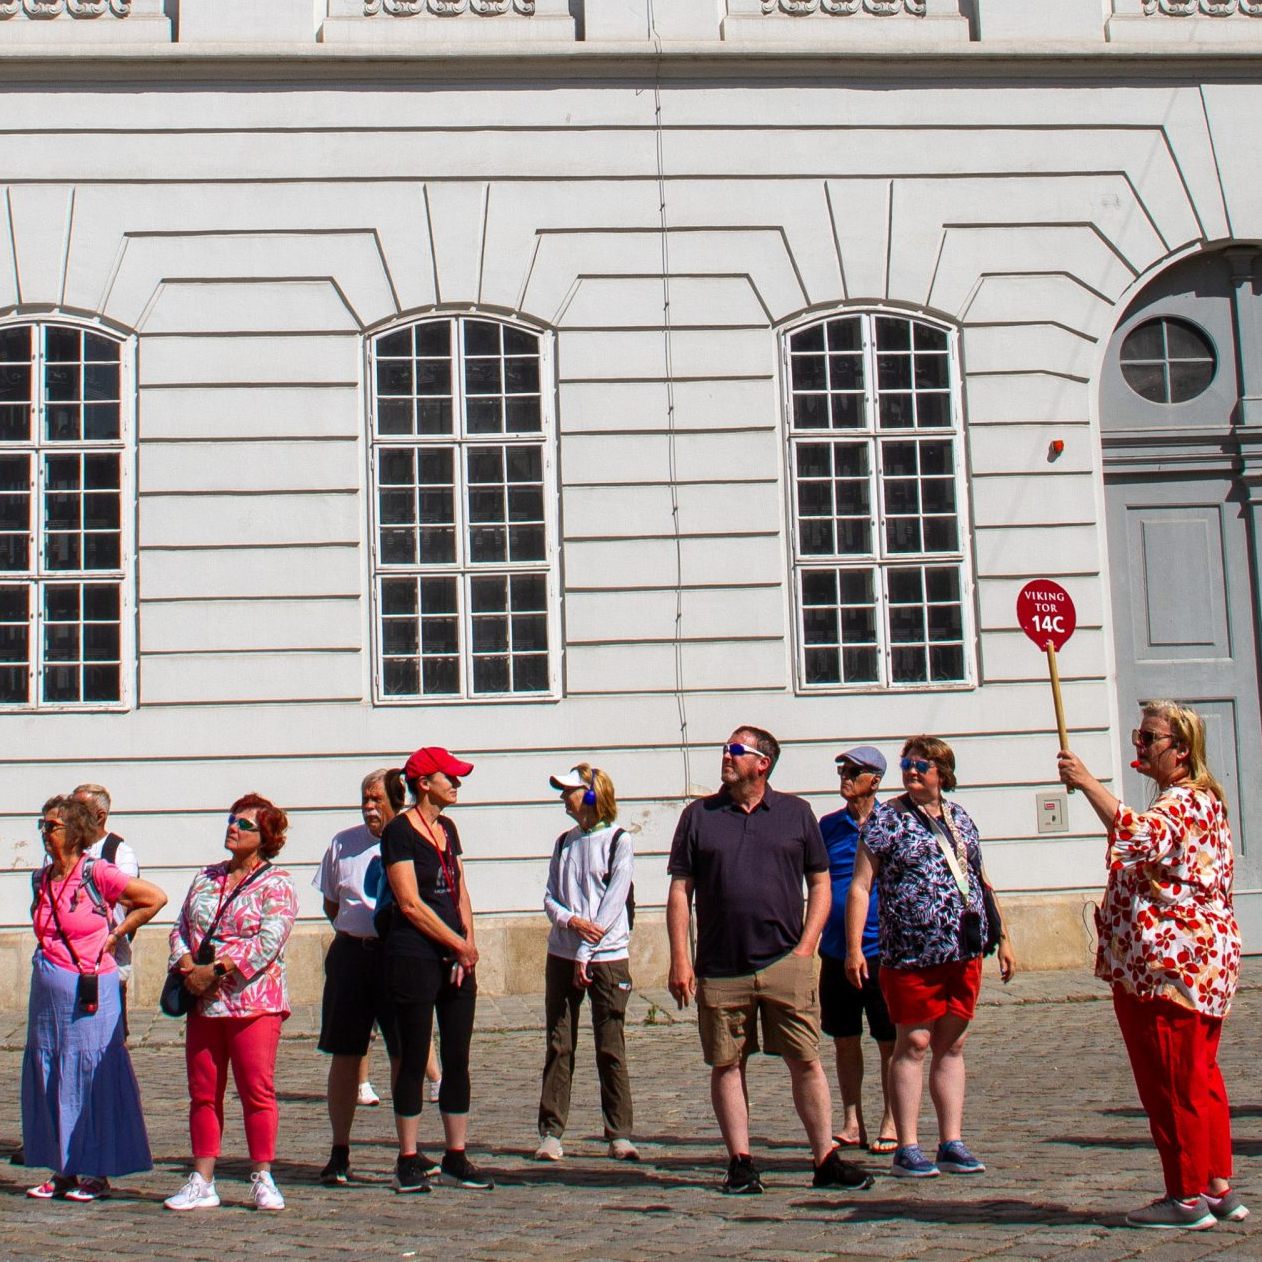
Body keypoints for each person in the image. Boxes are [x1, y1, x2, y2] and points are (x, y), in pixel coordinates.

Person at [1058, 701, 1245, 1230]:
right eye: (1139, 736)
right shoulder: (1200, 801)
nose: (1139, 745)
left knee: (1171, 1079)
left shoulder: (1183, 802)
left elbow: (1134, 834)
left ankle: (1185, 1195)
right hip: (1194, 963)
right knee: (1199, 1075)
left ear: (1180, 749)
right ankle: (1215, 1185)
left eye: (1148, 738)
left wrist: (1088, 781)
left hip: (1167, 964)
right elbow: (1140, 841)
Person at [667, 726, 873, 1195]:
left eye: (736, 750)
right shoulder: (699, 816)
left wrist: (806, 946)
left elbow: (820, 883)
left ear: (762, 763)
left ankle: (825, 1158)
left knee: (805, 1059)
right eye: (725, 747)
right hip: (720, 966)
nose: (726, 755)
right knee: (727, 1063)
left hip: (786, 961)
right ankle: (740, 1162)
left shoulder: (796, 814)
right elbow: (681, 891)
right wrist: (681, 957)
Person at [846, 736, 1015, 1180]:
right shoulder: (887, 819)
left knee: (952, 1043)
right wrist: (852, 947)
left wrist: (1005, 937)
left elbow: (980, 879)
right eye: (907, 764)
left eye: (921, 764)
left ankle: (951, 1140)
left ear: (943, 772)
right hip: (910, 953)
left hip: (963, 949)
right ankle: (907, 1145)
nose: (912, 771)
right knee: (914, 1043)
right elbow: (861, 885)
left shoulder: (960, 818)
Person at [23, 794, 166, 1201]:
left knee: (90, 1078)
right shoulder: (40, 878)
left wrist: (117, 934)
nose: (45, 833)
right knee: (52, 1076)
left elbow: (153, 898)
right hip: (47, 994)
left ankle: (97, 1170)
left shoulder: (96, 872)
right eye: (43, 825)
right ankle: (63, 1168)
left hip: (90, 990)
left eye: (52, 825)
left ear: (75, 832)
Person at [164, 795, 299, 1213]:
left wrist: (217, 970)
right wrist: (185, 963)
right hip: (204, 1003)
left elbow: (269, 941)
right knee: (203, 1092)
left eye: (244, 825)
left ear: (266, 838)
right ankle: (203, 1179)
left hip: (252, 1003)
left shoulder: (277, 884)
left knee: (256, 1090)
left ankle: (261, 1175)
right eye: (231, 820)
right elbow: (182, 925)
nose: (233, 828)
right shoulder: (206, 877)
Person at [380, 746, 490, 1193]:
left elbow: (460, 888)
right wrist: (454, 942)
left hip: (456, 957)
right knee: (412, 1054)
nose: (457, 784)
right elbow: (409, 902)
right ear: (424, 783)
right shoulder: (399, 833)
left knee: (458, 1056)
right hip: (415, 955)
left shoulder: (448, 827)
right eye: (451, 777)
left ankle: (456, 1154)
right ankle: (407, 1158)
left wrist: (468, 943)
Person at [536, 764, 637, 1162]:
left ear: (592, 794)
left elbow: (614, 901)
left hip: (607, 957)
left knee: (610, 1045)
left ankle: (619, 1132)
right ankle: (551, 1130)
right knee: (559, 1043)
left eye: (571, 791)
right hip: (562, 952)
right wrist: (569, 921)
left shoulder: (618, 841)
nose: (565, 797)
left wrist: (587, 948)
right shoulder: (564, 842)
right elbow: (550, 896)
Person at [314, 768, 407, 1185]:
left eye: (377, 799)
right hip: (352, 953)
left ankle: (409, 1150)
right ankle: (339, 1150)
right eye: (364, 800)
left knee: (403, 1051)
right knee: (345, 1053)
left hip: (396, 954)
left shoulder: (410, 837)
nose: (370, 807)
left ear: (396, 800)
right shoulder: (343, 843)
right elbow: (332, 904)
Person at [817, 745, 896, 1155]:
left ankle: (891, 1119)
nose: (844, 776)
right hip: (835, 950)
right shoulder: (828, 826)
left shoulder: (892, 822)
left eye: (853, 770)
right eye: (842, 770)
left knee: (889, 1039)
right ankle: (852, 1121)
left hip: (882, 948)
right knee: (844, 1037)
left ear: (875, 780)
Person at [72, 784, 140, 1037]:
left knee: (109, 1038)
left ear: (99, 815)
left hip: (107, 959)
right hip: (68, 960)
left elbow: (132, 900)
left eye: (78, 808)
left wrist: (115, 934)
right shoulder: (61, 850)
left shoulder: (118, 852)